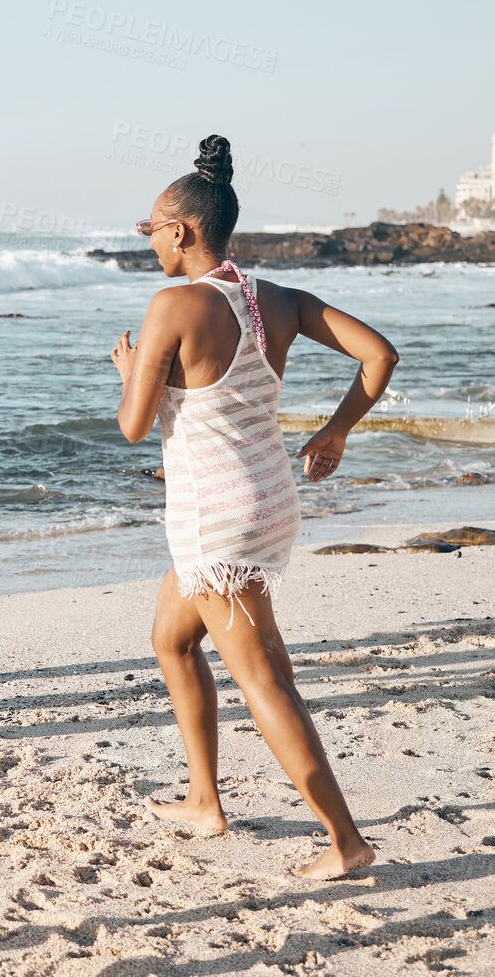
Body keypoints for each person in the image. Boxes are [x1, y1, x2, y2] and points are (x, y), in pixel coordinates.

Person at [113, 135, 398, 880]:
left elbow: (133, 425)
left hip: (215, 516)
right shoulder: (273, 298)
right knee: (171, 642)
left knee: (263, 676)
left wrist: (129, 369)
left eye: (149, 230)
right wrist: (334, 429)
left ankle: (345, 840)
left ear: (181, 229)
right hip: (268, 499)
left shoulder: (172, 304)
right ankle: (205, 801)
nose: (147, 243)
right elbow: (379, 355)